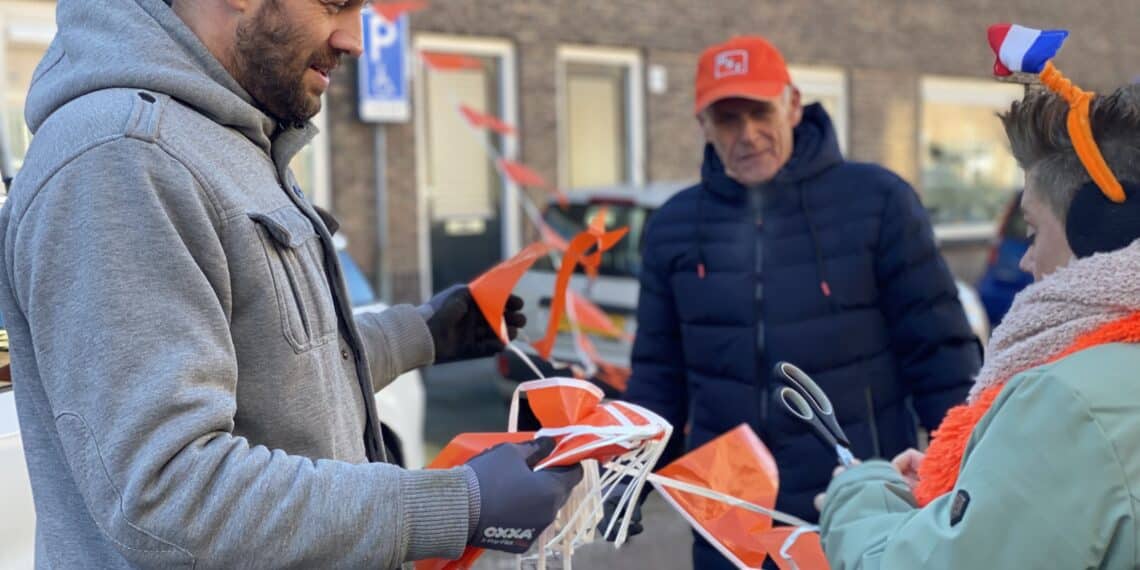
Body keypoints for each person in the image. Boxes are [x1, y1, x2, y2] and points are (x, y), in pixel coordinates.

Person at [0, 0, 580, 567]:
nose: (355, 39)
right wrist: (455, 503)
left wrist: (421, 334)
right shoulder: (122, 159)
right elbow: (166, 492)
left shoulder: (227, 138)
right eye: (335, 4)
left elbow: (271, 365)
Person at [619, 35, 981, 567]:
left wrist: (966, 474)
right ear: (704, 126)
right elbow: (658, 376)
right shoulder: (673, 227)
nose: (747, 134)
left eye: (760, 112)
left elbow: (939, 355)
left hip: (855, 506)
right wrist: (623, 483)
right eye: (728, 119)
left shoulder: (878, 202)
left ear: (792, 105)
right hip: (729, 519)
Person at [819, 83, 1140, 568]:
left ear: (1102, 226)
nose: (1027, 260)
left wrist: (857, 497)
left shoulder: (1071, 403)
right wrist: (981, 482)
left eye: (1032, 231)